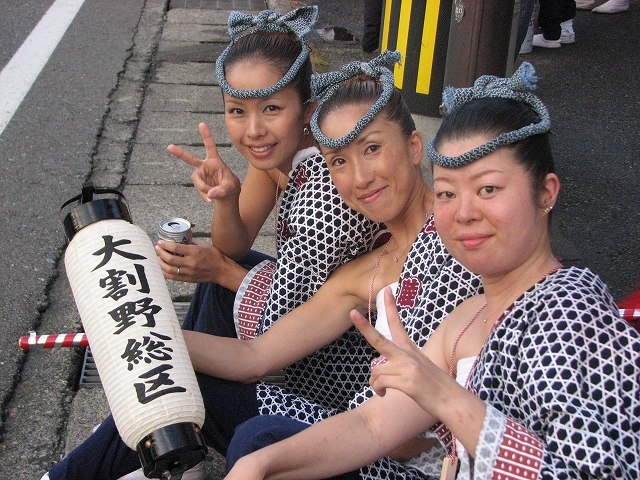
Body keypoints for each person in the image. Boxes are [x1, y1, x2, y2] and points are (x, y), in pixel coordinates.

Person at [43, 50, 482, 480]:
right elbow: (255, 355)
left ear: (413, 145)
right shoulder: (368, 267)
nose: (360, 177)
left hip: (405, 459)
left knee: (259, 437)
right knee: (176, 378)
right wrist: (143, 332)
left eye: (372, 149)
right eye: (340, 162)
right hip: (357, 422)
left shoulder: (460, 243)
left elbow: (405, 436)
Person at [225, 62, 640, 479]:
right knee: (260, 446)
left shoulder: (568, 311)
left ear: (545, 192)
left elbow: (591, 473)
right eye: (446, 193)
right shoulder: (467, 317)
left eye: (488, 189)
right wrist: (260, 464)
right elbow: (372, 424)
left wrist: (443, 397)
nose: (463, 213)